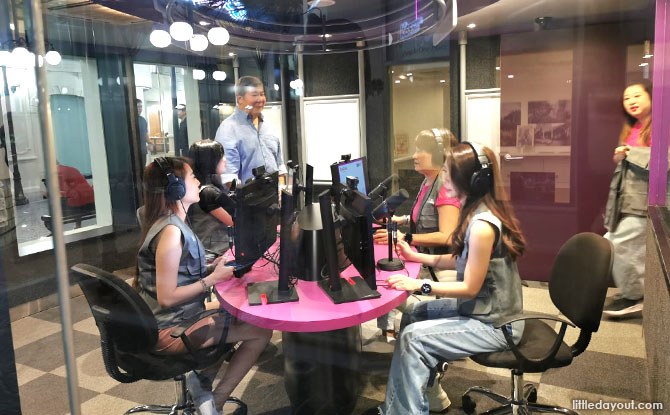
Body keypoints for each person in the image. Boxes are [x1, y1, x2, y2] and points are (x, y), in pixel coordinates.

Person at [367, 142, 526, 415]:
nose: (444, 177)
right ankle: (425, 395)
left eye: (449, 172)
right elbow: (463, 260)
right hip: (481, 310)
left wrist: (419, 285)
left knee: (413, 339)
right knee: (414, 314)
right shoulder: (475, 213)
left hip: (497, 325)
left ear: (471, 181)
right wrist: (417, 256)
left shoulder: (482, 226)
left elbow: (469, 287)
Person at [134, 157, 272, 415]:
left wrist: (211, 268)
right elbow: (166, 297)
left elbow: (178, 272)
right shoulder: (171, 233)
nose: (198, 182)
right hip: (171, 329)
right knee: (261, 332)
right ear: (176, 188)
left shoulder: (171, 222)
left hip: (173, 317)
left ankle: (202, 381)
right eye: (192, 177)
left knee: (238, 310)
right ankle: (215, 403)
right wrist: (212, 279)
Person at [373, 128, 460, 343]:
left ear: (439, 155)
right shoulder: (428, 181)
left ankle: (396, 334)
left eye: (421, 150)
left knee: (386, 277)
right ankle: (389, 332)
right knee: (386, 268)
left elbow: (447, 236)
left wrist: (405, 238)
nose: (414, 155)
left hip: (439, 265)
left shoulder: (445, 186)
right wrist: (401, 220)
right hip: (424, 257)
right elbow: (425, 216)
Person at [602, 80, 652, 318]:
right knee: (615, 243)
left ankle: (636, 296)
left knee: (618, 243)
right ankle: (634, 293)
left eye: (637, 96)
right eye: (626, 98)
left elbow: (663, 160)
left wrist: (631, 153)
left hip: (646, 202)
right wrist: (620, 155)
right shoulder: (634, 127)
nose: (631, 101)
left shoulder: (661, 126)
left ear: (651, 97)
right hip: (629, 200)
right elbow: (624, 161)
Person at [215, 76, 287, 186]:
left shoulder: (269, 126)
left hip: (274, 195)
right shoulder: (228, 129)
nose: (260, 99)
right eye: (254, 95)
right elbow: (228, 178)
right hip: (247, 196)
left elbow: (279, 165)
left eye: (262, 94)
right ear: (240, 98)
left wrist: (282, 189)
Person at [188, 140, 235, 257]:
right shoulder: (208, 192)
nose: (225, 160)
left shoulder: (203, 187)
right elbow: (235, 221)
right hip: (215, 253)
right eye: (221, 157)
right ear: (210, 162)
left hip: (216, 249)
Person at [137, 99, 152, 167]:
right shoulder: (130, 120)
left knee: (143, 167)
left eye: (141, 107)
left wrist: (150, 143)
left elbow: (145, 134)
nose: (140, 109)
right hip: (134, 151)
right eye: (138, 107)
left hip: (143, 150)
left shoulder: (143, 120)